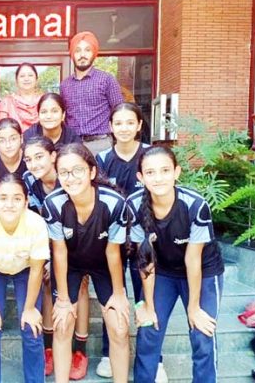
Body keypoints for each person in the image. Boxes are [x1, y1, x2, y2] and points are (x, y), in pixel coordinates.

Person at [129, 146, 224, 383]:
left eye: (164, 170)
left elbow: (193, 260)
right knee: (149, 329)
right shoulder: (134, 206)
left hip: (203, 272)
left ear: (176, 172)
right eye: (150, 172)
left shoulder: (194, 205)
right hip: (162, 272)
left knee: (202, 333)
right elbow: (146, 261)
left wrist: (193, 308)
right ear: (140, 177)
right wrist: (148, 305)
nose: (158, 178)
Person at [43, 143, 130, 383]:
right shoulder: (53, 204)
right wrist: (62, 301)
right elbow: (59, 252)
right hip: (70, 263)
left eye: (78, 170)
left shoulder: (114, 203)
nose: (71, 178)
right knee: (61, 324)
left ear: (91, 172)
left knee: (120, 327)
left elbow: (114, 253)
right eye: (64, 172)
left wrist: (120, 293)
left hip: (105, 264)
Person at [94, 102, 163, 380]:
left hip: (145, 239)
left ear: (139, 125)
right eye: (118, 123)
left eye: (129, 122)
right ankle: (110, 353)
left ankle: (154, 361)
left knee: (147, 298)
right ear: (110, 127)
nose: (124, 128)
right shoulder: (102, 160)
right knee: (113, 297)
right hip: (112, 241)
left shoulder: (150, 155)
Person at [0, 173, 50, 383]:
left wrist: (30, 308)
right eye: (3, 198)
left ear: (26, 202)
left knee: (32, 328)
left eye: (17, 198)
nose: (10, 204)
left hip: (26, 270)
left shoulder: (36, 224)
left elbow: (36, 269)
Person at [22, 136, 59, 376]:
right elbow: (35, 222)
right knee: (44, 280)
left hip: (73, 241)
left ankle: (79, 350)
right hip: (45, 241)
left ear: (53, 156)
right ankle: (48, 349)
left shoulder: (66, 176)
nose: (33, 164)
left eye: (39, 157)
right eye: (28, 159)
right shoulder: (28, 180)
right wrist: (45, 259)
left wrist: (56, 260)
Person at [60, 31, 124, 155]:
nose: (82, 55)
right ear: (72, 54)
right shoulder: (65, 85)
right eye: (77, 50)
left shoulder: (106, 79)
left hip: (101, 144)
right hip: (74, 145)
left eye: (87, 50)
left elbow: (120, 112)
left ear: (94, 53)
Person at [0, 63, 42, 132]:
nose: (26, 79)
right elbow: (0, 131)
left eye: (30, 75)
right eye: (22, 76)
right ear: (16, 80)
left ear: (36, 79)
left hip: (42, 142)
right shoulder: (7, 103)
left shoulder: (44, 101)